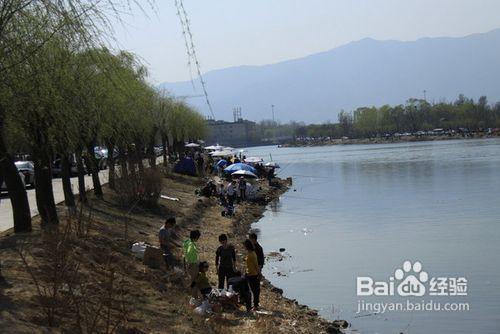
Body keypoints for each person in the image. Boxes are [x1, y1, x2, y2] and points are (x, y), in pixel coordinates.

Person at [243, 239, 261, 310]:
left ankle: (255, 305)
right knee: (251, 290)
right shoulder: (249, 253)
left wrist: (259, 273)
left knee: (255, 291)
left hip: (253, 275)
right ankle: (252, 304)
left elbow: (256, 265)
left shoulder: (252, 254)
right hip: (249, 274)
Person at [183, 230, 201, 297]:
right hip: (193, 265)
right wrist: (190, 262)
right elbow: (189, 252)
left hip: (189, 263)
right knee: (194, 282)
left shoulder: (187, 242)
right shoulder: (192, 244)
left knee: (192, 281)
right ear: (196, 237)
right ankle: (194, 297)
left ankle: (192, 295)